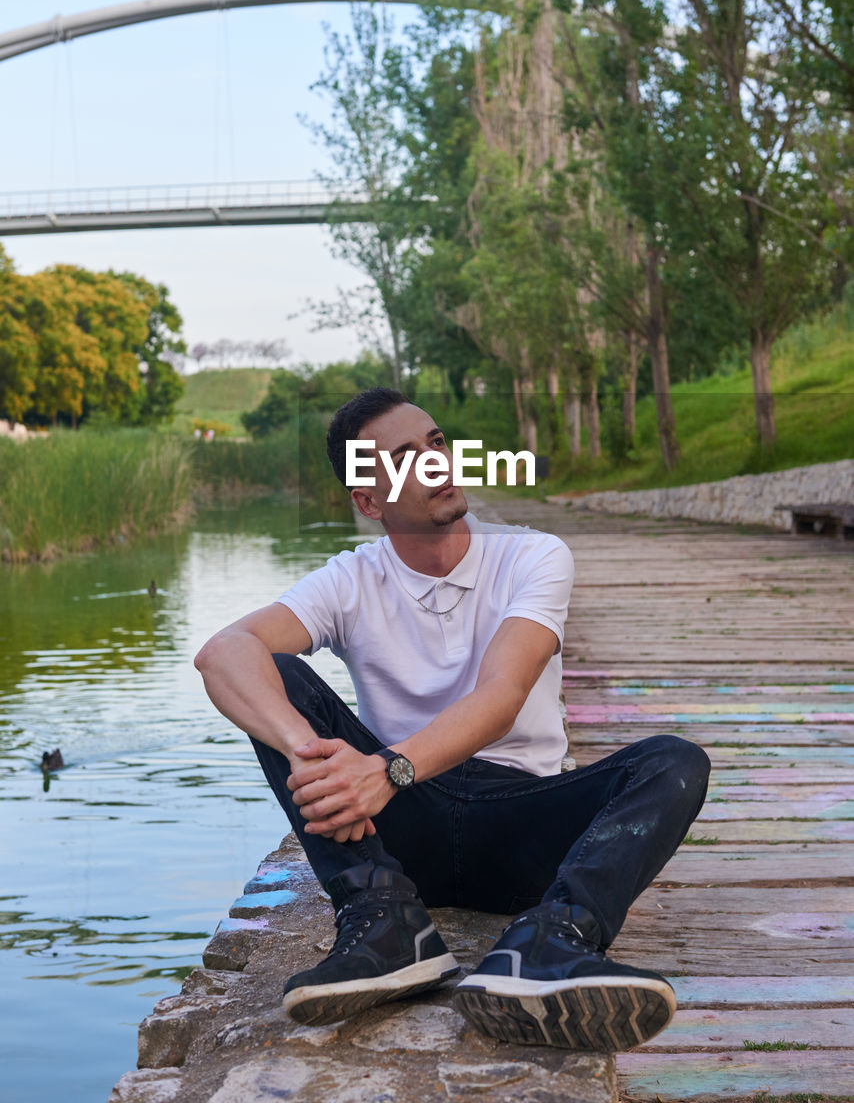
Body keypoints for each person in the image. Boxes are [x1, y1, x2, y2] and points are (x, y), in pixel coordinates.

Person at [195, 387, 710, 1053]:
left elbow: (502, 694)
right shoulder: (351, 579)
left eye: (437, 443)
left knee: (673, 762)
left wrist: (385, 768)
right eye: (405, 457)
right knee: (276, 675)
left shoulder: (533, 556)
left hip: (526, 825)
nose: (435, 462)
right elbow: (221, 653)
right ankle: (383, 922)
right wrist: (308, 751)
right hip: (408, 833)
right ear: (369, 501)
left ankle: (551, 941)